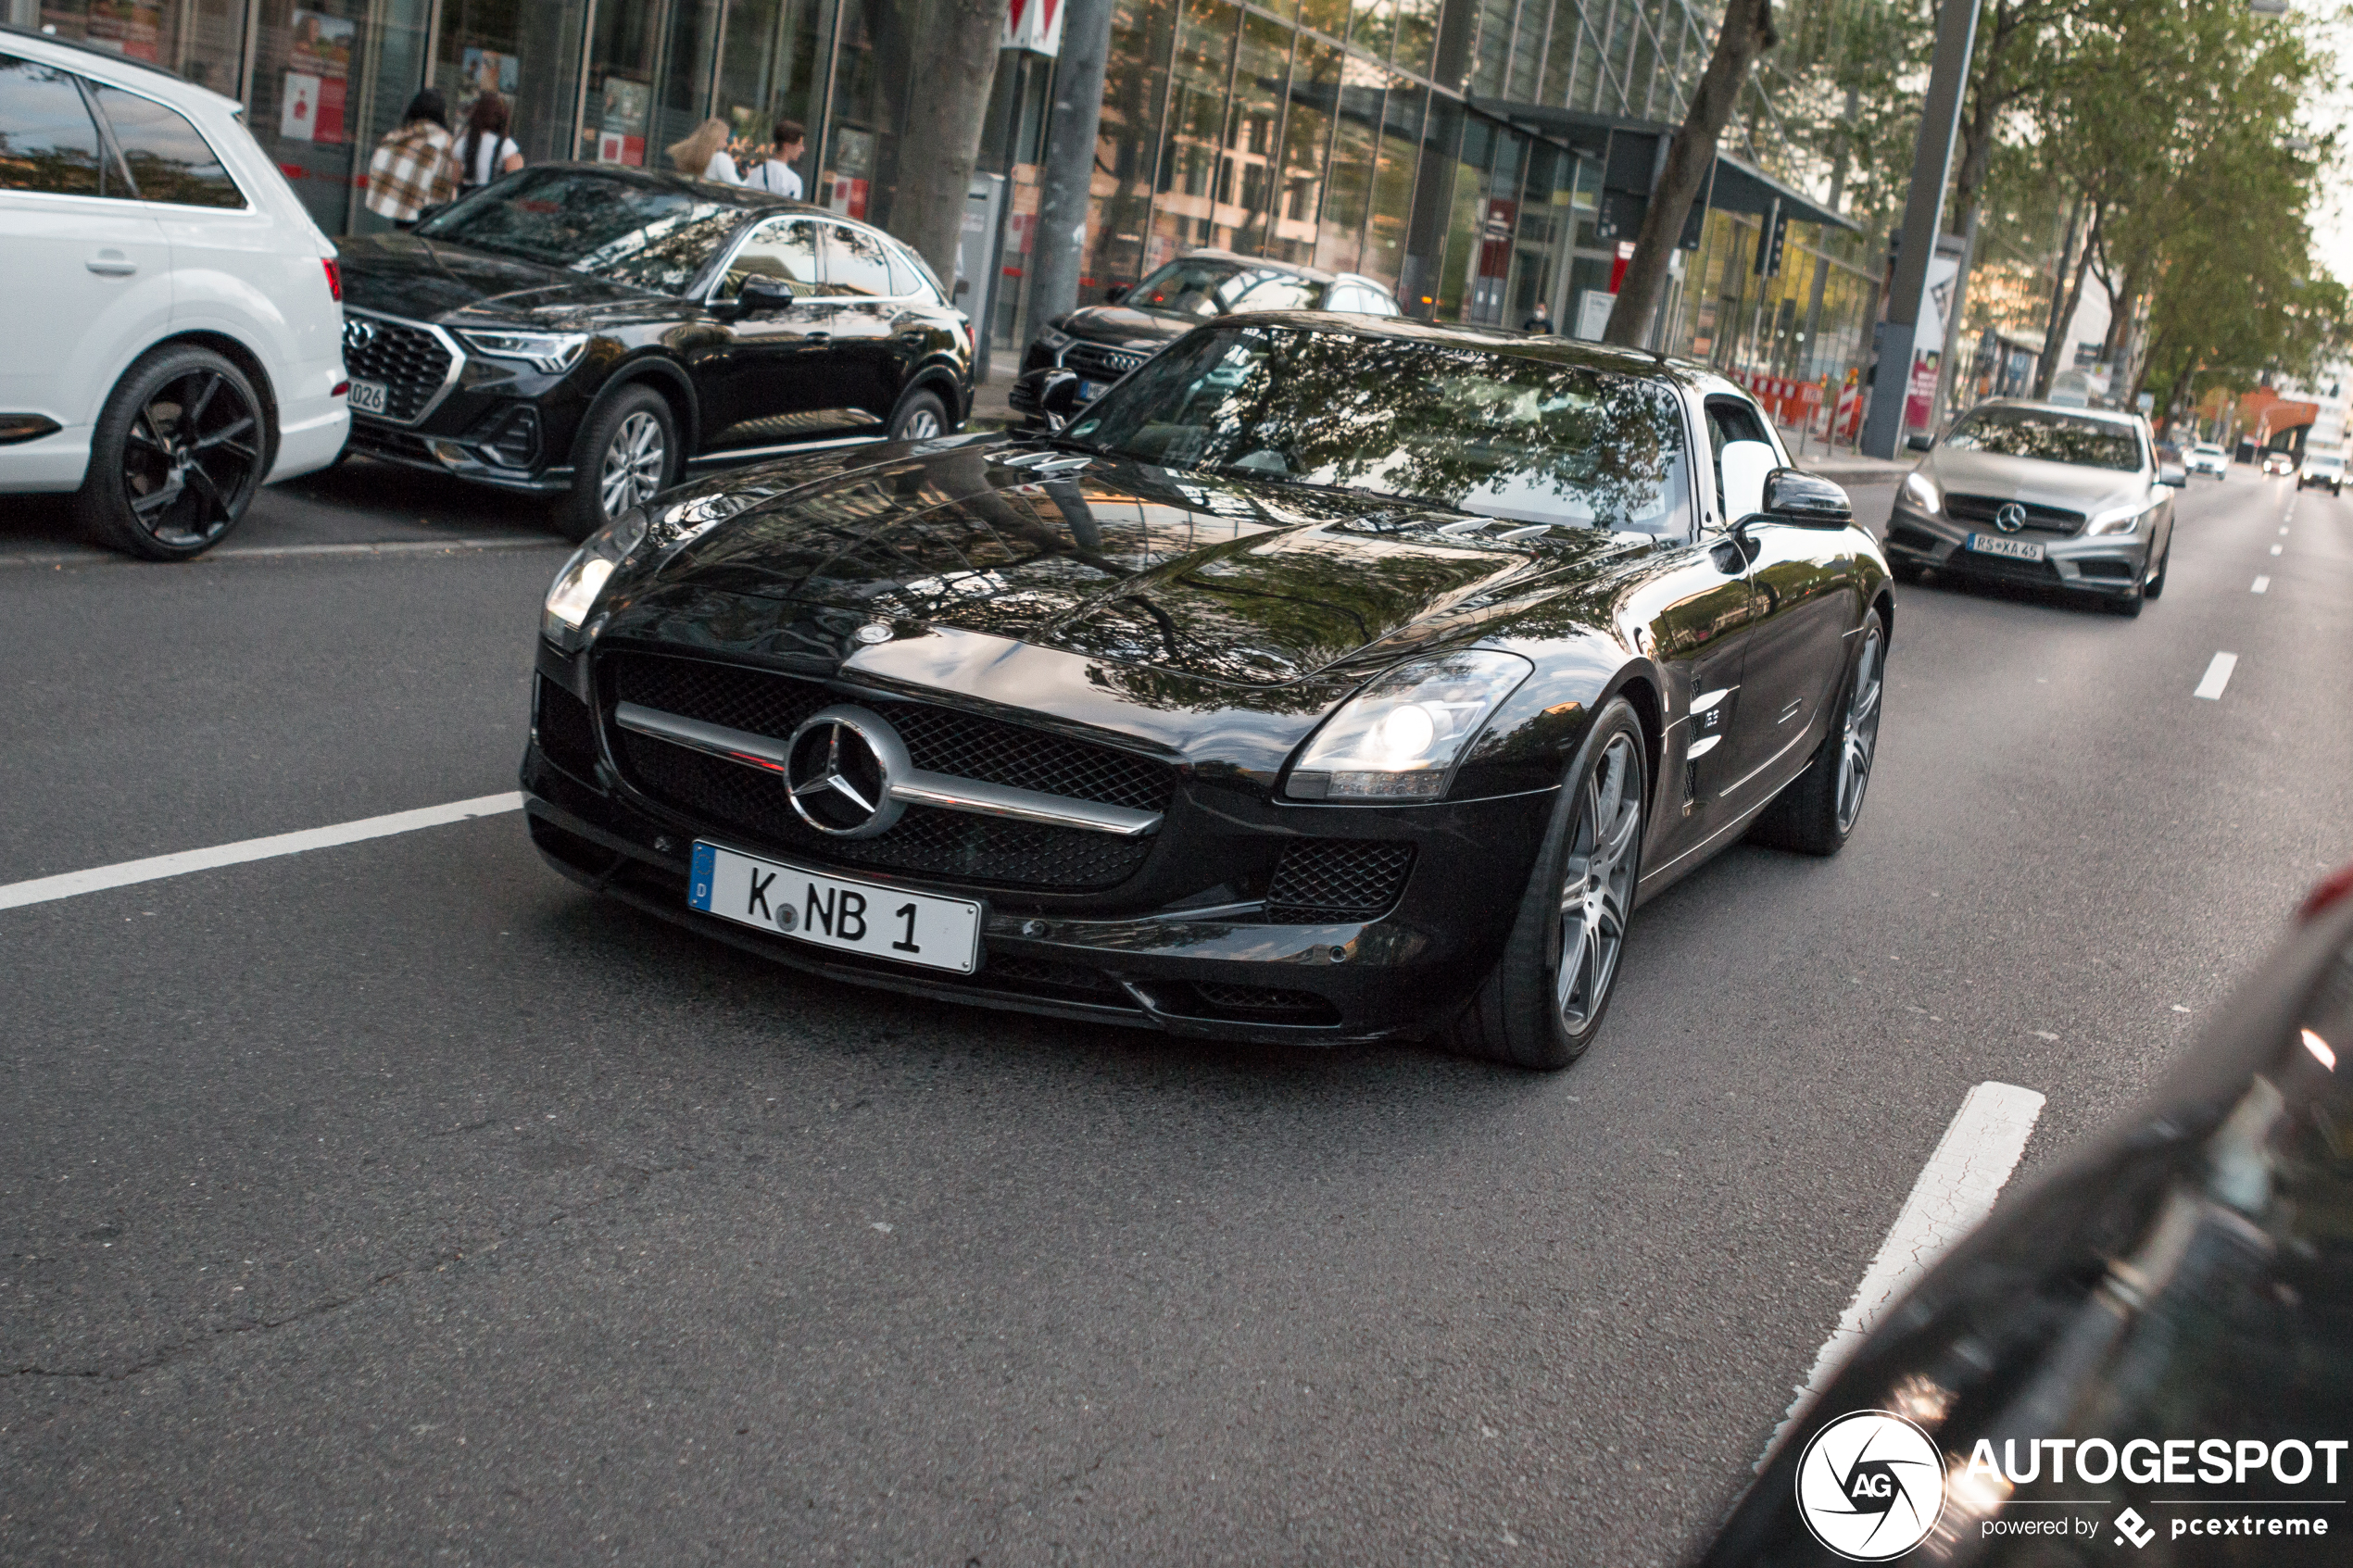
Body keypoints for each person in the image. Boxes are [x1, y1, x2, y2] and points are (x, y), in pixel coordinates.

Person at [365, 89, 457, 227]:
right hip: (428, 214)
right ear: (442, 113)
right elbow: (444, 181)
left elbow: (378, 164)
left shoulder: (397, 135)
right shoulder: (445, 141)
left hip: (401, 209)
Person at [457, 92, 523, 194]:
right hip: (491, 201)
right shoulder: (506, 145)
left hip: (467, 201)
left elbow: (455, 179)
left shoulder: (463, 142)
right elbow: (516, 181)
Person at [740, 119, 806, 199]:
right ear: (787, 146)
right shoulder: (793, 180)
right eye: (799, 145)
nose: (802, 149)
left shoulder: (756, 172)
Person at [669, 118, 739, 183]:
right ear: (716, 139)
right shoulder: (718, 159)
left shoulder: (680, 152)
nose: (726, 144)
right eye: (725, 139)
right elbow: (736, 185)